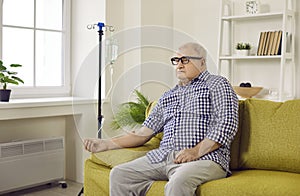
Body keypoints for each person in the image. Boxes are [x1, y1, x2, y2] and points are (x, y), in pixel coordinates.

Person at [84, 42, 239, 196]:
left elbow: (227, 124)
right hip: (163, 157)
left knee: (178, 182)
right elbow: (143, 133)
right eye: (176, 61)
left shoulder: (217, 84)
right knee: (120, 174)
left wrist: (195, 151)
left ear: (202, 62)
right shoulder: (168, 96)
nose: (179, 65)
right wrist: (106, 144)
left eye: (185, 60)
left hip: (205, 158)